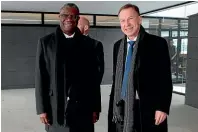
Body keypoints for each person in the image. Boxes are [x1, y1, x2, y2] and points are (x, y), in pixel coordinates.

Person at [35, 3, 102, 132]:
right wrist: (42, 109)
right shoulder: (46, 43)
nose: (69, 19)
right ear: (59, 17)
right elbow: (40, 77)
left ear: (78, 18)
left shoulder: (91, 45)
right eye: (65, 15)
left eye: (73, 16)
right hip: (54, 108)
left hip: (83, 108)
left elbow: (94, 81)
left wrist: (95, 108)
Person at [108, 4, 173, 132]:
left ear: (139, 19)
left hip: (147, 106)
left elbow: (165, 78)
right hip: (121, 104)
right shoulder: (118, 46)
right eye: (122, 20)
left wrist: (162, 107)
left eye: (130, 18)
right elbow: (117, 79)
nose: (126, 24)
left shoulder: (157, 44)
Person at [78, 16, 104, 86]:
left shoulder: (96, 45)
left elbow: (100, 70)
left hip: (90, 91)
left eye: (77, 25)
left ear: (86, 27)